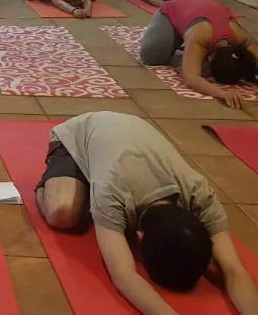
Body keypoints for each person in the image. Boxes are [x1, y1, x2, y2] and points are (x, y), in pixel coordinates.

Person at [36, 112, 258, 314]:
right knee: (62, 213)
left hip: (128, 135)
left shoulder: (200, 197)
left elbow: (234, 271)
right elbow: (123, 274)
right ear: (139, 236)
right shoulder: (113, 192)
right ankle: (48, 186)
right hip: (80, 136)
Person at [140, 0, 258, 108]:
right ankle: (182, 39)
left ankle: (187, 43)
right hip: (173, 10)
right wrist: (222, 93)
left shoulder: (241, 39)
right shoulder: (201, 36)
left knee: (192, 50)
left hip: (203, 11)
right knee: (153, 56)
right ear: (209, 58)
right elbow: (191, 78)